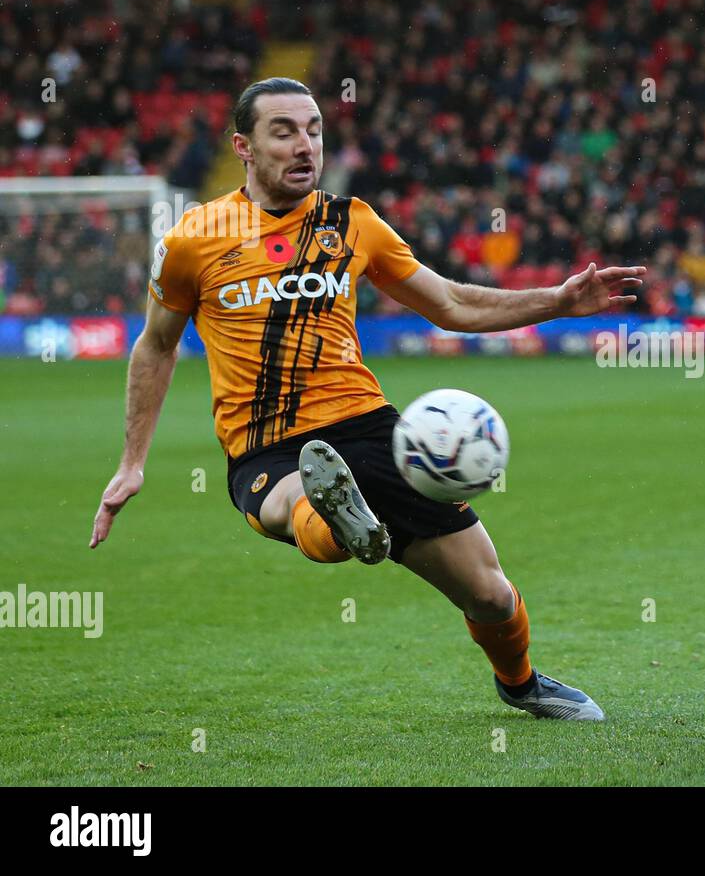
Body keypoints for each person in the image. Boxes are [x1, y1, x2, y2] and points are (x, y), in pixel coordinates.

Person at [90, 77, 646, 721]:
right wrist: (132, 462)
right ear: (243, 146)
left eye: (315, 130)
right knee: (302, 503)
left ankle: (519, 682)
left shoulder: (350, 223)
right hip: (265, 445)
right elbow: (156, 346)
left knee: (491, 596)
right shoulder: (193, 239)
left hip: (374, 431)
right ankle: (343, 519)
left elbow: (450, 303)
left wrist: (556, 300)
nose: (306, 146)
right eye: (285, 131)